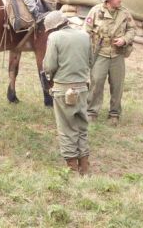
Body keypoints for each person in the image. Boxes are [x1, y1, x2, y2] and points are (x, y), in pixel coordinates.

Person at [43, 10, 93, 175]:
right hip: (83, 88)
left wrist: (51, 76)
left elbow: (49, 66)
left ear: (53, 27)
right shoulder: (85, 36)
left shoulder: (54, 38)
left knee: (66, 128)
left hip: (63, 90)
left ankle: (71, 170)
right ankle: (84, 167)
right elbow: (91, 61)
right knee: (82, 127)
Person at [84, 0, 136, 126]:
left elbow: (132, 30)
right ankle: (91, 112)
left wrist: (124, 40)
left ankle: (114, 114)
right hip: (100, 53)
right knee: (96, 82)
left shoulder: (124, 13)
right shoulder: (95, 11)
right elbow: (86, 31)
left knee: (117, 85)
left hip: (117, 54)